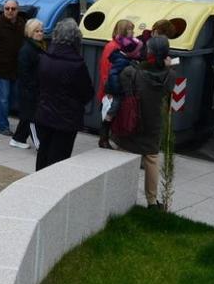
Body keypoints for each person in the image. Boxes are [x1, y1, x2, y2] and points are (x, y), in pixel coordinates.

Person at [111, 36, 176, 210]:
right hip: (153, 121)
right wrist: (168, 68)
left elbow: (123, 87)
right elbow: (168, 91)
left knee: (124, 155)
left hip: (132, 119)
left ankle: (119, 195)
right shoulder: (170, 75)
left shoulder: (132, 72)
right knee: (152, 159)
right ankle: (152, 201)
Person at [34, 18, 94, 171]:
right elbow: (87, 92)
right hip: (66, 119)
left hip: (44, 114)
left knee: (43, 151)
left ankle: (37, 186)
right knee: (59, 158)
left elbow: (37, 84)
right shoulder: (76, 64)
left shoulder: (44, 58)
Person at [0, 0, 25, 136]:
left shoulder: (21, 23)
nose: (10, 11)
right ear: (3, 9)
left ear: (17, 10)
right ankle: (3, 126)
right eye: (7, 8)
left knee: (12, 97)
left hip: (16, 68)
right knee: (3, 98)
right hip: (1, 68)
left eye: (13, 9)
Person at [96, 19, 135, 148]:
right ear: (124, 31)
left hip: (118, 86)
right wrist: (109, 91)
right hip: (112, 88)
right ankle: (104, 139)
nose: (133, 32)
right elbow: (105, 70)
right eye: (130, 30)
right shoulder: (112, 46)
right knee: (110, 112)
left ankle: (109, 138)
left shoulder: (123, 45)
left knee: (114, 113)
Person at [101, 36, 143, 148]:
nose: (139, 53)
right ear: (131, 52)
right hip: (117, 92)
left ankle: (106, 135)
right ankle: (104, 137)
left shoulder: (124, 58)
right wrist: (117, 91)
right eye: (137, 51)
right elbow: (113, 75)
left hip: (118, 90)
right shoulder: (122, 61)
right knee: (113, 110)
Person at [10, 18, 45, 149]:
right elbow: (24, 72)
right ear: (31, 32)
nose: (40, 33)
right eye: (37, 31)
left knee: (27, 116)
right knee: (32, 117)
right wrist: (33, 86)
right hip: (29, 89)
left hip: (34, 87)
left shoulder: (38, 47)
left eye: (41, 31)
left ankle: (18, 138)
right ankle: (39, 144)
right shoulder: (27, 50)